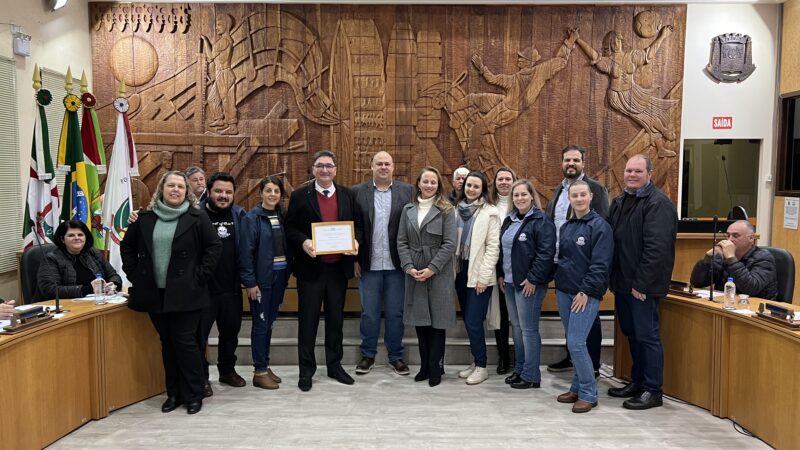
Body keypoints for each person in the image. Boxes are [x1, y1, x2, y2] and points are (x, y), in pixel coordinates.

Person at [121, 170, 222, 415]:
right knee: (167, 343)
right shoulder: (144, 218)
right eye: (171, 186)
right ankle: (173, 393)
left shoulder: (197, 217)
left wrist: (198, 277)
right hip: (155, 294)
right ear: (161, 190)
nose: (175, 190)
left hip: (188, 293)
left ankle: (194, 393)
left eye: (180, 186)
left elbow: (214, 248)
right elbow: (127, 247)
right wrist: (136, 275)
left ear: (187, 192)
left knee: (185, 343)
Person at [285, 150, 361, 392]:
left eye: (329, 166)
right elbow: (291, 228)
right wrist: (303, 242)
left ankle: (335, 366)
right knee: (307, 322)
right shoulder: (299, 196)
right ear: (313, 169)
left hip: (338, 270)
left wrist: (356, 241)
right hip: (311, 270)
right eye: (320, 166)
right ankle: (306, 371)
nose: (325, 170)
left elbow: (358, 225)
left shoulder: (348, 195)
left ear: (335, 169)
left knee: (336, 321)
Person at [608, 155, 677, 410]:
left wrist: (642, 284)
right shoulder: (621, 201)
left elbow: (656, 250)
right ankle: (637, 382)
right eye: (628, 171)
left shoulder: (658, 204)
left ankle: (652, 389)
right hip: (623, 285)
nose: (632, 175)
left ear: (649, 173)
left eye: (638, 171)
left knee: (647, 337)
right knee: (632, 334)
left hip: (642, 288)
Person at [545, 144, 609, 376]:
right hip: (561, 259)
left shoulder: (595, 189)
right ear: (561, 163)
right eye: (567, 160)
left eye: (575, 160)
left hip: (585, 261)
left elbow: (601, 225)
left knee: (589, 317)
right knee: (570, 316)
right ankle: (573, 356)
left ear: (583, 163)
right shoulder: (559, 190)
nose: (571, 164)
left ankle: (591, 365)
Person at [554, 180, 614, 413]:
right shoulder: (567, 227)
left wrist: (585, 291)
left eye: (582, 195)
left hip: (585, 294)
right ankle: (577, 387)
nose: (578, 199)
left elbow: (600, 265)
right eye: (574, 195)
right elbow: (563, 260)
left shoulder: (600, 227)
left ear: (590, 197)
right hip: (564, 291)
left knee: (577, 343)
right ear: (569, 199)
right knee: (573, 342)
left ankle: (589, 393)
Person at [352, 151, 414, 376]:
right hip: (369, 265)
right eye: (379, 163)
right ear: (371, 167)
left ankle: (395, 356)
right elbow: (355, 226)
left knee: (395, 313)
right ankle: (368, 355)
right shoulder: (358, 192)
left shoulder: (407, 191)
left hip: (397, 265)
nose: (383, 167)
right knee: (369, 312)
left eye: (387, 163)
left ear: (393, 167)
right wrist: (356, 259)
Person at [397, 166, 457, 387]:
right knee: (421, 321)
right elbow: (401, 241)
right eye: (425, 181)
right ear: (419, 184)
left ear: (438, 185)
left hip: (438, 273)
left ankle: (435, 367)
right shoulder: (408, 209)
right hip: (414, 271)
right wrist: (408, 266)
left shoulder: (447, 209)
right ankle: (423, 366)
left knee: (437, 323)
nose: (429, 185)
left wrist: (432, 268)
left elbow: (450, 243)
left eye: (433, 182)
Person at [497, 179, 555, 390]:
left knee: (529, 330)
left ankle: (532, 376)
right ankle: (520, 369)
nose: (519, 198)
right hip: (510, 283)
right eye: (516, 195)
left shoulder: (541, 221)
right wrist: (501, 274)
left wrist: (533, 278)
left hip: (529, 284)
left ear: (532, 196)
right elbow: (503, 250)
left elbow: (546, 254)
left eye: (523, 194)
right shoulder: (509, 220)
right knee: (518, 328)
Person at [239, 175, 292, 389]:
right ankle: (259, 371)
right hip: (261, 282)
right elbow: (245, 253)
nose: (272, 195)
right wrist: (250, 282)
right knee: (260, 324)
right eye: (268, 190)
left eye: (276, 191)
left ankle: (265, 364)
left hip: (279, 278)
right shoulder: (252, 219)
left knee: (269, 323)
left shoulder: (281, 216)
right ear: (260, 193)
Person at [197, 172, 247, 395]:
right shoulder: (195, 214)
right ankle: (201, 378)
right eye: (218, 191)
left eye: (228, 192)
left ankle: (227, 371)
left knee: (230, 334)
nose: (223, 196)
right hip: (203, 289)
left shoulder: (239, 215)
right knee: (199, 337)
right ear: (208, 191)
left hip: (231, 288)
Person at [454, 171, 500, 385]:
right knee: (468, 320)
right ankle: (475, 361)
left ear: (483, 189)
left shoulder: (490, 212)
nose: (471, 189)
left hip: (480, 275)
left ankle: (482, 366)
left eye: (476, 186)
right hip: (460, 271)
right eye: (468, 185)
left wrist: (483, 277)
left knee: (474, 321)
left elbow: (493, 248)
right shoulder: (456, 209)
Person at [689, 220, 777, 300]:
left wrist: (731, 258)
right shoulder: (722, 256)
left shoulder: (764, 258)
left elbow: (751, 289)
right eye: (728, 235)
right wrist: (707, 258)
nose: (730, 239)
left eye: (735, 235)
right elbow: (697, 282)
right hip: (725, 304)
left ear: (751, 238)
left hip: (753, 308)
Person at [37, 220, 122, 300]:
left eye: (80, 235)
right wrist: (88, 289)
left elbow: (113, 275)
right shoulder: (51, 259)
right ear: (62, 239)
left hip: (97, 302)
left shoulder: (93, 253)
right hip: (68, 307)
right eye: (71, 235)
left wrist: (113, 284)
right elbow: (50, 290)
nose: (77, 238)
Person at [489, 167, 516, 375]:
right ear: (495, 182)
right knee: (501, 315)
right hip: (495, 268)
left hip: (516, 268)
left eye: (508, 179)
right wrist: (498, 272)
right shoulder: (489, 205)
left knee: (517, 317)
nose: (504, 182)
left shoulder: (520, 204)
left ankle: (519, 358)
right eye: (501, 179)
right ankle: (503, 357)